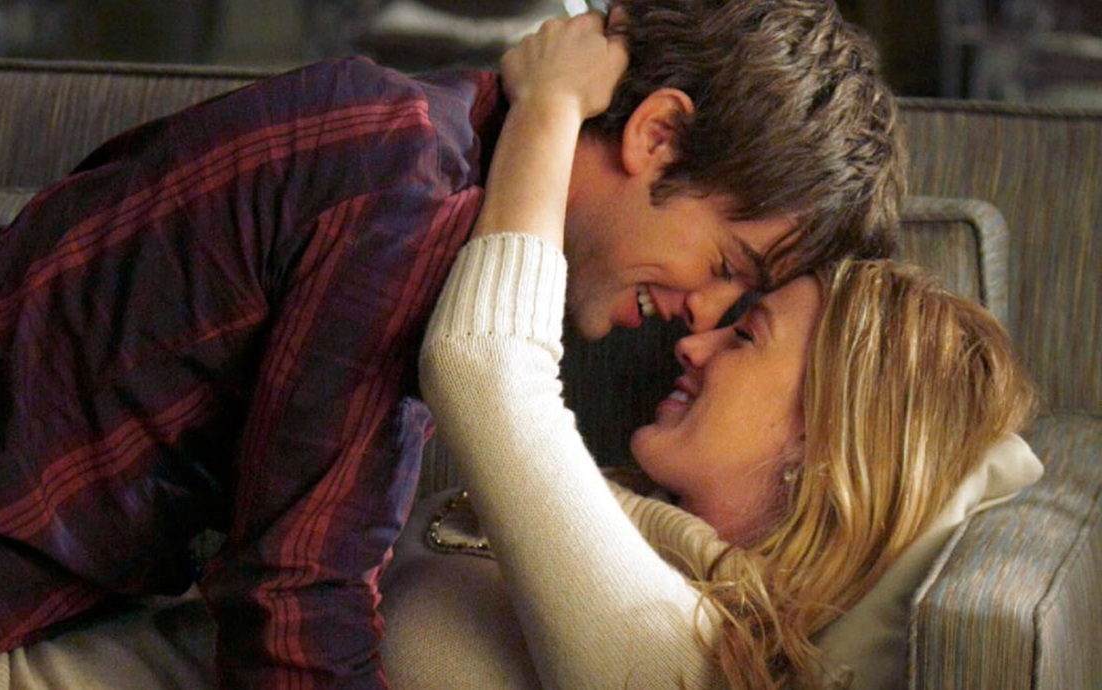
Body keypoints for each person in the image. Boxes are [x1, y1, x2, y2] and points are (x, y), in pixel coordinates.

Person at [0, 2, 903, 689]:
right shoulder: (417, 201)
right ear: (655, 136)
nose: (701, 316)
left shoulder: (417, 133)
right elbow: (295, 605)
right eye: (725, 263)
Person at [376, 15, 1036, 690]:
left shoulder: (690, 652)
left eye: (747, 335)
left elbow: (486, 367)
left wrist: (549, 108)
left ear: (828, 434)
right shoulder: (627, 527)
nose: (692, 341)